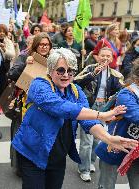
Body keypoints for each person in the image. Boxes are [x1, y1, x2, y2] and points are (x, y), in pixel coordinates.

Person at [11, 48, 138, 189]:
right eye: (60, 70)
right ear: (51, 70)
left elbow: (88, 122)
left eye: (70, 71)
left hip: (58, 157)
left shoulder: (76, 92)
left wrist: (108, 138)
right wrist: (100, 114)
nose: (66, 75)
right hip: (32, 154)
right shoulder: (39, 84)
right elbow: (59, 106)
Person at [74, 47, 124, 182]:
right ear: (98, 56)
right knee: (87, 141)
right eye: (103, 55)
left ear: (112, 59)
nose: (105, 58)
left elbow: (121, 91)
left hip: (105, 108)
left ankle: (90, 162)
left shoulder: (115, 74)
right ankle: (83, 169)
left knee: (98, 139)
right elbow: (75, 82)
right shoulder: (90, 68)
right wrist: (92, 74)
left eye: (108, 56)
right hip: (89, 107)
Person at [8, 32, 52, 176]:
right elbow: (12, 74)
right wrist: (26, 64)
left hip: (45, 106)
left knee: (40, 136)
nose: (44, 47)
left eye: (47, 44)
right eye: (41, 44)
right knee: (22, 136)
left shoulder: (53, 59)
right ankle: (20, 168)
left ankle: (38, 164)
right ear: (36, 45)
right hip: (25, 104)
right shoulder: (25, 56)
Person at [96, 60, 139, 189]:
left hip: (135, 153)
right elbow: (136, 116)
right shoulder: (126, 94)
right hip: (115, 146)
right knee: (106, 186)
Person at [0, 24, 15, 96]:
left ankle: (0, 105)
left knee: (3, 87)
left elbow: (12, 55)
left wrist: (4, 49)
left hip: (4, 69)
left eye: (3, 32)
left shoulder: (9, 42)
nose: (1, 33)